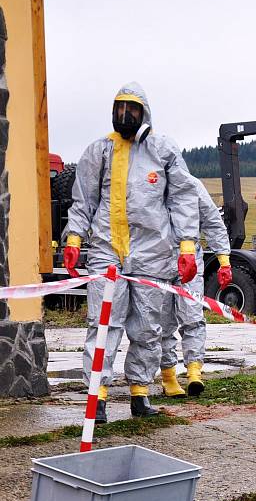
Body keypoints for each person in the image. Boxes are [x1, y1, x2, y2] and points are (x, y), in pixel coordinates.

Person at [65, 82, 199, 422]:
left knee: (148, 327)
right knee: (103, 325)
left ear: (144, 113)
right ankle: (98, 396)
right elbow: (83, 200)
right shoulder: (98, 152)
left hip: (152, 256)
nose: (125, 116)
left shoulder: (163, 150)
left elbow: (183, 199)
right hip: (107, 253)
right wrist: (74, 239)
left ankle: (140, 393)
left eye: (132, 109)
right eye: (119, 109)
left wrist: (186, 245)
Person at [160, 176, 232, 398]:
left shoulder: (192, 185)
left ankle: (194, 372)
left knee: (193, 316)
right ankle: (169, 376)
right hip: (155, 261)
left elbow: (212, 221)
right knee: (162, 322)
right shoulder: (149, 184)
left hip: (190, 261)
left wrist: (224, 259)